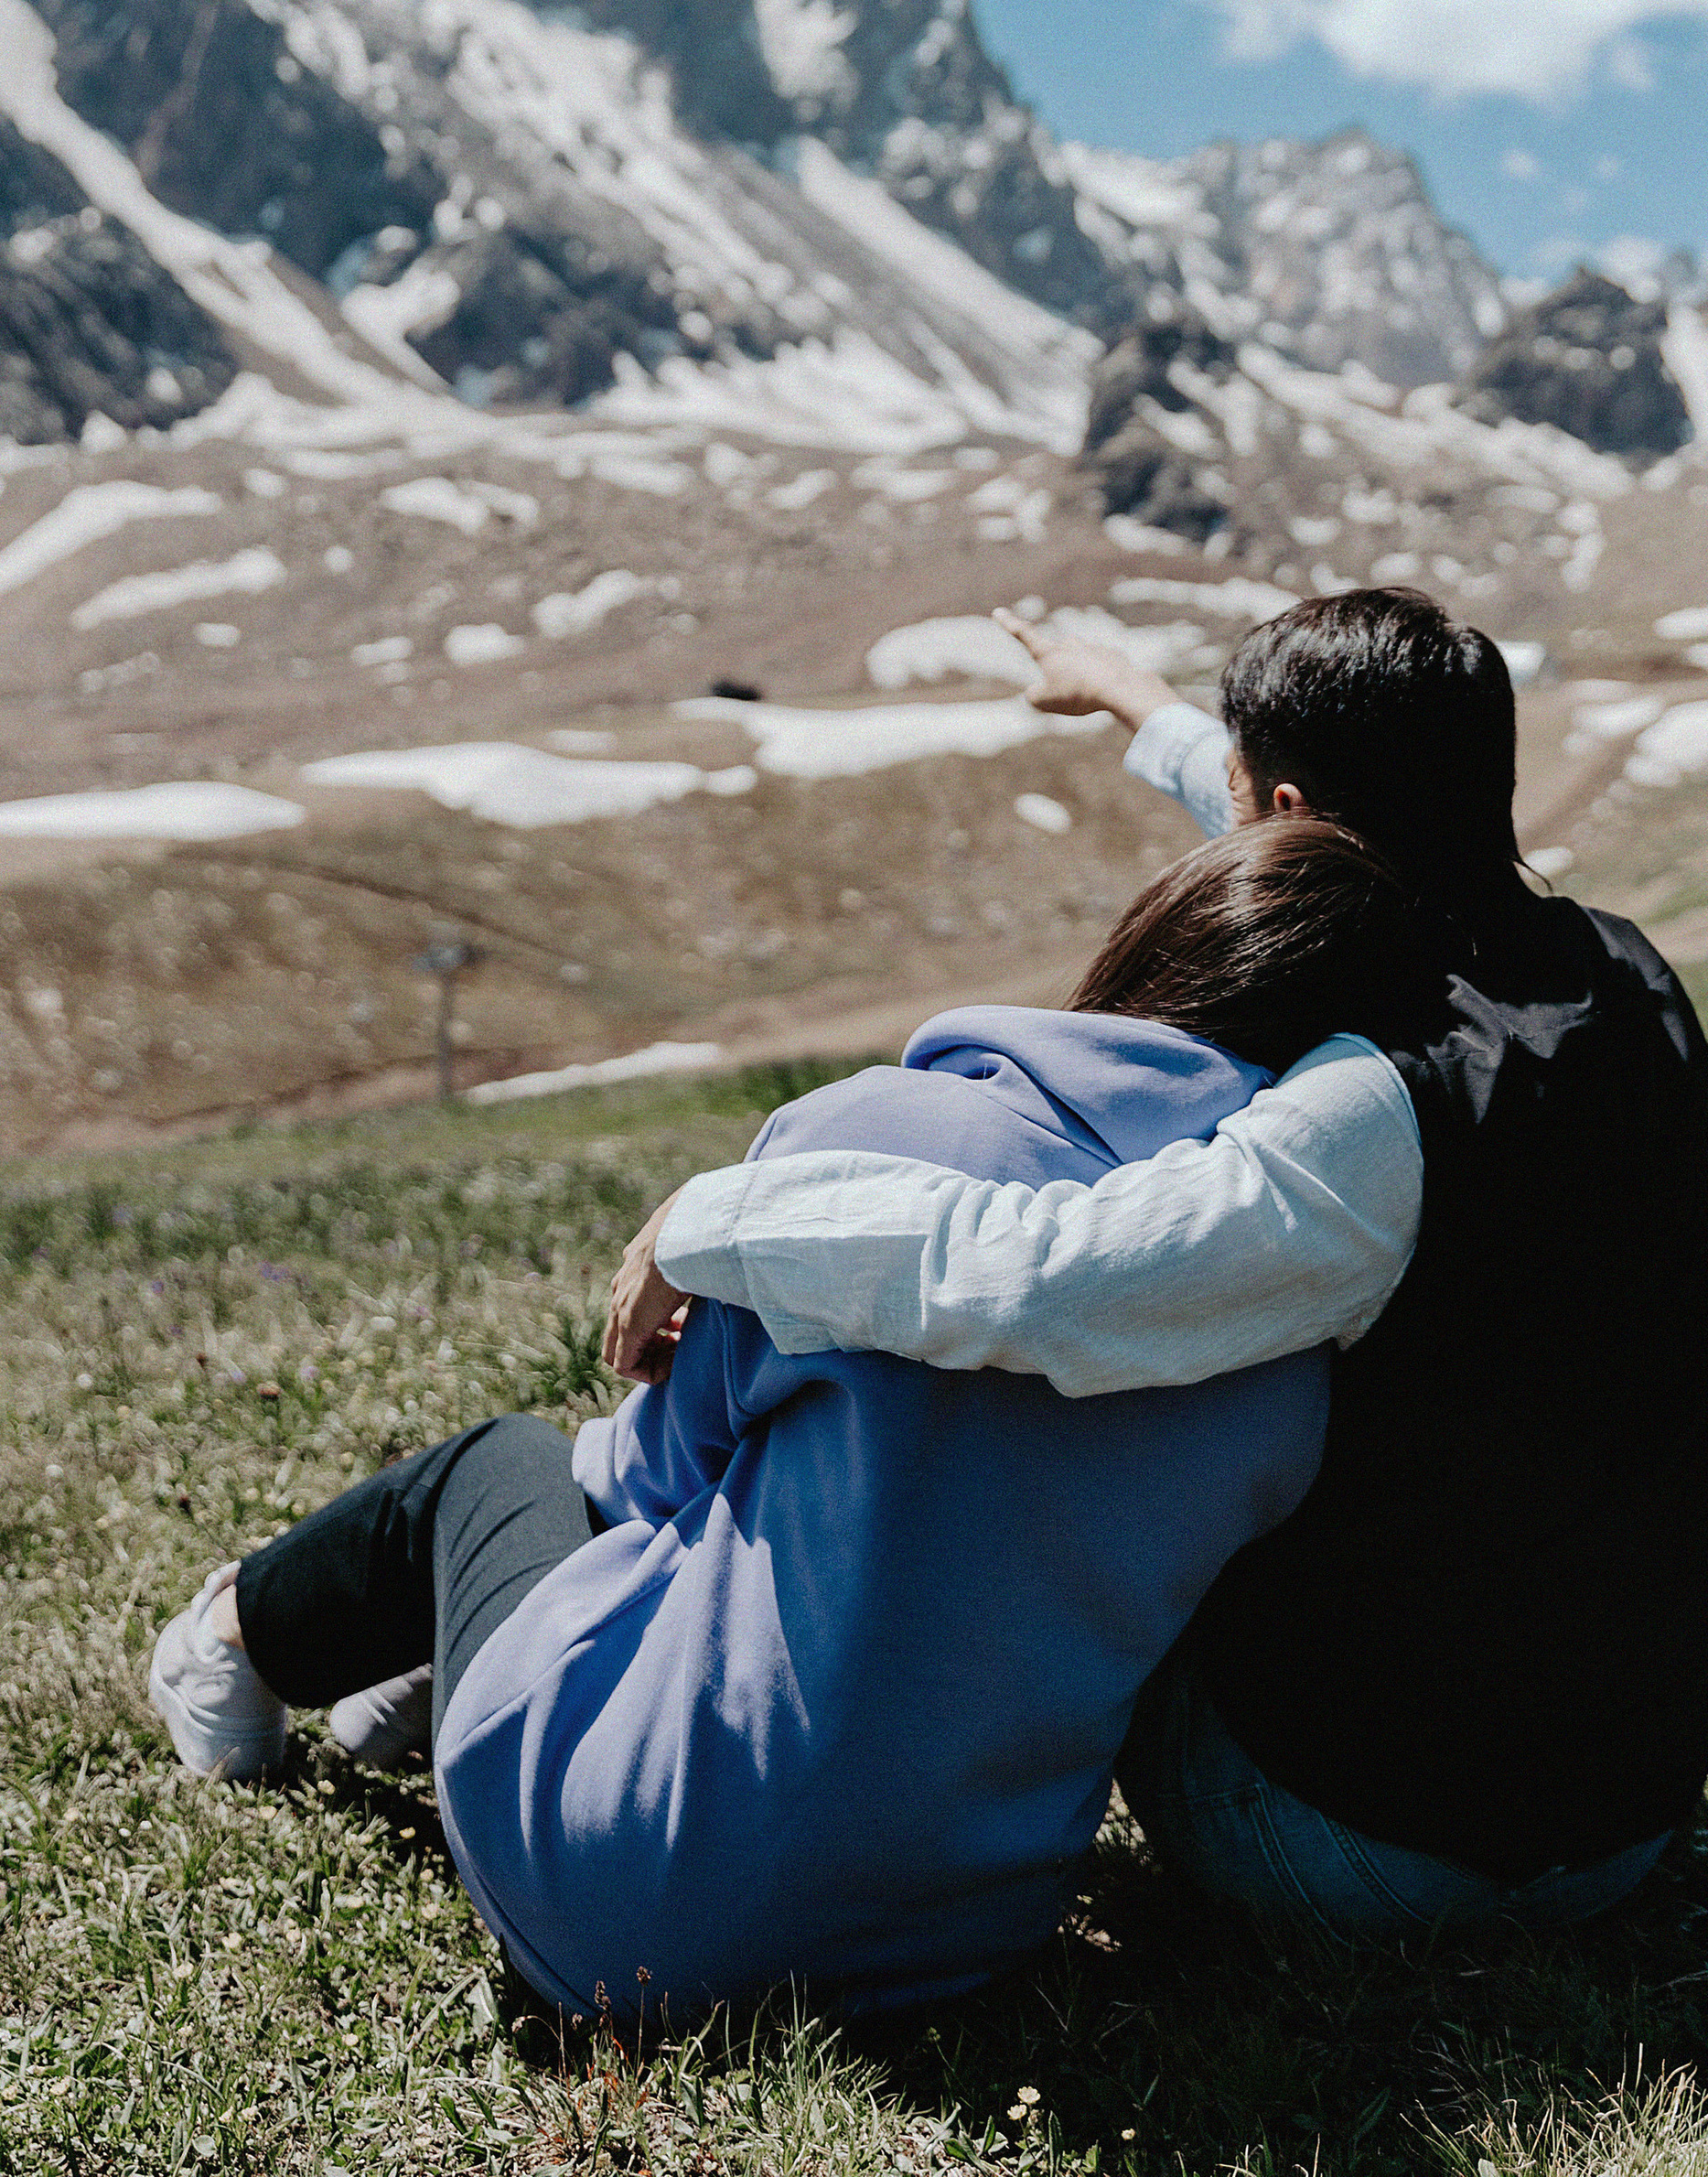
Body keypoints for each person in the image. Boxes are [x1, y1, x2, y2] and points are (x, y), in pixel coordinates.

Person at [604, 587, 1708, 1940]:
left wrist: (720, 1222)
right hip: (1625, 1814)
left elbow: (1047, 1281)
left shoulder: (1380, 1105)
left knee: (1074, 1462)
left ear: (1284, 804)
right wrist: (1127, 700)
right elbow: (1298, 838)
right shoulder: (1621, 972)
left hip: (1368, 1846)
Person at [148, 820, 1434, 2021]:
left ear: (1148, 946)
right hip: (951, 1951)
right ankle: (435, 1672)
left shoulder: (875, 1136)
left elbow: (647, 1475)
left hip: (614, 1897)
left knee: (507, 1466)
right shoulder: (1291, 1360)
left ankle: (231, 1642)